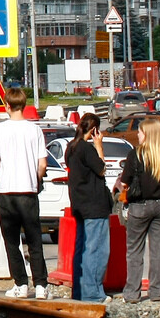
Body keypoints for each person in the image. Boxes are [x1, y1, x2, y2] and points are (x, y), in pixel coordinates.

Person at [0, 86, 49, 299]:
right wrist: (35, 179)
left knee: (12, 240)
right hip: (28, 191)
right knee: (34, 238)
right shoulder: (35, 130)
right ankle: (41, 286)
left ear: (7, 105)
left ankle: (21, 284)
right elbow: (42, 164)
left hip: (6, 192)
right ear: (24, 104)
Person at [117, 117, 160, 303]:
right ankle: (156, 292)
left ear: (147, 134)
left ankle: (132, 294)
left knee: (135, 250)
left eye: (140, 131)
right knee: (157, 251)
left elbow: (125, 182)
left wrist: (120, 185)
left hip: (139, 206)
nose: (138, 134)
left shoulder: (135, 154)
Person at [65, 112, 113, 303]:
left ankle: (80, 290)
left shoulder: (71, 148)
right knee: (97, 249)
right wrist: (99, 146)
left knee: (82, 248)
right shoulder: (86, 149)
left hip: (79, 204)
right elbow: (101, 169)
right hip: (95, 205)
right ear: (94, 130)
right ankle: (93, 292)